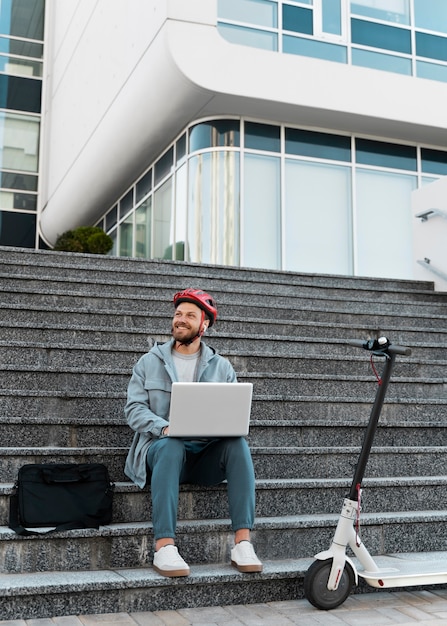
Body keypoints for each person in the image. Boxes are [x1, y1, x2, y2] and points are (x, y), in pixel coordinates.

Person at [124, 288, 262, 578]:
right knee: (172, 445)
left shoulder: (222, 368)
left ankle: (242, 543)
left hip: (203, 457)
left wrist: (221, 428)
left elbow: (231, 414)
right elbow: (134, 410)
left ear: (204, 324)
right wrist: (164, 427)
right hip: (161, 452)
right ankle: (164, 547)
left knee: (237, 443)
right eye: (177, 314)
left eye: (189, 315)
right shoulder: (149, 362)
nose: (180, 320)